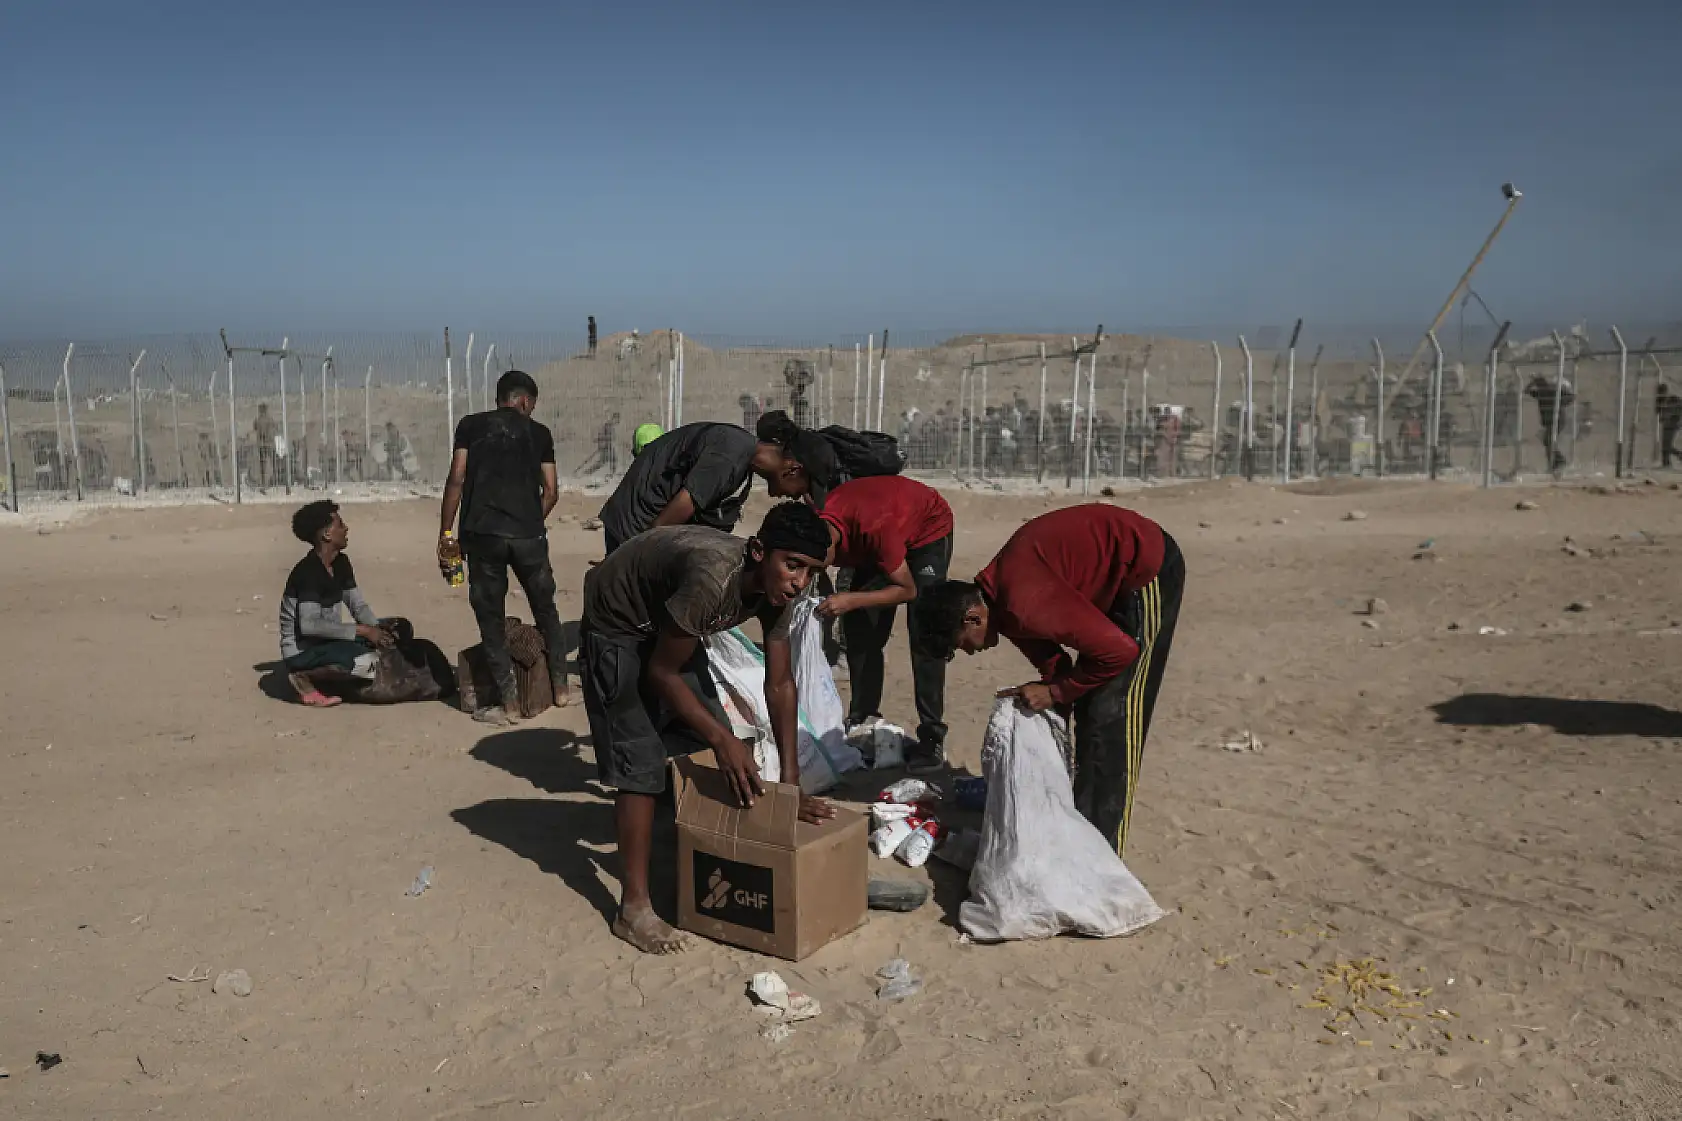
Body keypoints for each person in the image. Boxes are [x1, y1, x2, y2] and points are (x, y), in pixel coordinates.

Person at [581, 502, 835, 954]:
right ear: (759, 552)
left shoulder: (779, 595)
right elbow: (662, 672)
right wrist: (724, 742)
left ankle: (690, 849)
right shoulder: (712, 581)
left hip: (668, 619)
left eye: (811, 572)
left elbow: (779, 683)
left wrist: (789, 787)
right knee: (639, 764)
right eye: (792, 565)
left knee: (705, 732)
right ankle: (633, 908)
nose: (799, 582)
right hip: (617, 623)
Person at [912, 504, 1184, 856]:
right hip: (1108, 576)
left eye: (959, 644)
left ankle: (1100, 856)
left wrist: (1055, 692)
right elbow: (1057, 666)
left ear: (973, 619)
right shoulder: (1003, 607)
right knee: (1090, 702)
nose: (967, 652)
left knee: (1112, 714)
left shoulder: (1024, 602)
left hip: (1146, 568)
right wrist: (1046, 702)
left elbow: (1120, 652)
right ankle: (1082, 827)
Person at [438, 370, 571, 724]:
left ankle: (509, 702)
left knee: (490, 616)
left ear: (501, 398)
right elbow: (552, 491)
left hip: (482, 536)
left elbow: (456, 477)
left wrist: (445, 532)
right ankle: (560, 688)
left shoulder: (470, 425)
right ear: (525, 401)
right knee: (546, 609)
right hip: (528, 537)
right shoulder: (539, 433)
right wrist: (529, 520)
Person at [814, 475, 955, 771]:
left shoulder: (876, 530)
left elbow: (907, 590)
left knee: (926, 630)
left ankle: (931, 738)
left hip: (926, 530)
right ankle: (863, 719)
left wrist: (850, 599)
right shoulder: (820, 524)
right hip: (876, 535)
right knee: (860, 629)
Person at [280, 501, 450, 707]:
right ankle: (306, 678)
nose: (346, 528)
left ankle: (351, 671)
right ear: (326, 534)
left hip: (329, 642)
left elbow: (357, 606)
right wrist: (364, 631)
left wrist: (378, 630)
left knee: (400, 627)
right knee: (364, 661)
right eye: (340, 524)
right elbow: (310, 627)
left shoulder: (340, 563)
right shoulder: (309, 574)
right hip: (304, 651)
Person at [596, 410, 838, 555]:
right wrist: (636, 559)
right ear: (793, 470)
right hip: (635, 528)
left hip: (640, 524)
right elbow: (665, 523)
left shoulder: (742, 457)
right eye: (802, 489)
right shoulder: (729, 458)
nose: (795, 497)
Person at [1527, 373, 1574, 471]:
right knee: (1548, 442)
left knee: (1549, 441)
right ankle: (1555, 465)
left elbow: (1571, 397)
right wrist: (1533, 382)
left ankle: (1560, 462)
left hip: (1557, 421)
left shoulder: (1553, 392)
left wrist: (1534, 382)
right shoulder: (1541, 393)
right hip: (1550, 422)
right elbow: (1527, 391)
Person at [253, 404, 279, 489]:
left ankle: (264, 483)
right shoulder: (270, 419)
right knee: (272, 463)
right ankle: (274, 482)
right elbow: (275, 428)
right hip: (270, 444)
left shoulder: (258, 420)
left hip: (262, 444)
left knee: (263, 464)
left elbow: (255, 428)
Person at [1657, 384, 1682, 468]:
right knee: (1665, 445)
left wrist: (1675, 416)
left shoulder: (1673, 399)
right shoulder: (1660, 400)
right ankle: (1666, 463)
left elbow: (1679, 408)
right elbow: (1658, 412)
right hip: (1667, 424)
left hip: (1674, 423)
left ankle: (1675, 457)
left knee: (1667, 445)